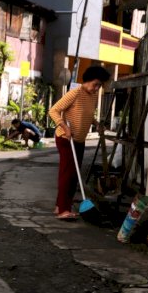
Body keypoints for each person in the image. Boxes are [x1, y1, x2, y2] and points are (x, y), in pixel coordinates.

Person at [48, 66, 111, 221]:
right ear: (88, 80)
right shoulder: (75, 93)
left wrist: (97, 124)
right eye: (96, 84)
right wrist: (64, 127)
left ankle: (60, 206)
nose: (97, 88)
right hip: (66, 139)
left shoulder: (93, 96)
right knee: (67, 174)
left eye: (100, 85)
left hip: (80, 139)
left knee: (74, 175)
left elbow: (87, 115)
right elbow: (53, 110)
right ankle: (63, 210)